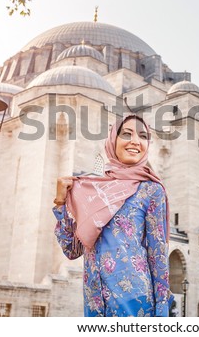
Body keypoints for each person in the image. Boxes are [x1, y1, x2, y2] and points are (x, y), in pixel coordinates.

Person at [53, 114, 172, 316]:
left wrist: (162, 309)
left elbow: (157, 252)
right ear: (112, 141)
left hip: (134, 300)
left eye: (143, 136)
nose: (135, 141)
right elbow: (72, 250)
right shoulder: (93, 191)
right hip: (94, 298)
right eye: (126, 134)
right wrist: (60, 203)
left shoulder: (150, 190)